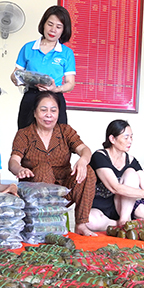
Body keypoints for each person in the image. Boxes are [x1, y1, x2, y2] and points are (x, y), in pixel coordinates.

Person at [8, 91, 96, 236]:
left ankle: (81, 224)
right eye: (43, 110)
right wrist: (20, 169)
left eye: (53, 110)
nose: (49, 114)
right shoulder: (24, 134)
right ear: (35, 113)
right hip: (36, 193)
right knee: (43, 168)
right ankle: (45, 224)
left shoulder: (65, 131)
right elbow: (13, 161)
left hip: (63, 191)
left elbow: (84, 149)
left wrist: (82, 160)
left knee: (88, 171)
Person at [87, 120, 144, 231]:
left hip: (121, 206)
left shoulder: (131, 160)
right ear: (112, 139)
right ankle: (120, 225)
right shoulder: (99, 156)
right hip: (99, 207)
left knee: (131, 172)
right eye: (126, 137)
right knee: (89, 221)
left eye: (131, 137)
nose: (130, 141)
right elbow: (114, 187)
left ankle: (124, 220)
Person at [11, 6, 75, 130]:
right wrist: (19, 79)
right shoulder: (28, 48)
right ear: (43, 24)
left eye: (58, 27)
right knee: (25, 138)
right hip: (31, 97)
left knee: (57, 140)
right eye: (50, 24)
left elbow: (70, 84)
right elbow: (15, 75)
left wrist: (56, 89)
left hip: (55, 99)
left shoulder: (67, 53)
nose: (53, 30)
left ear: (63, 30)